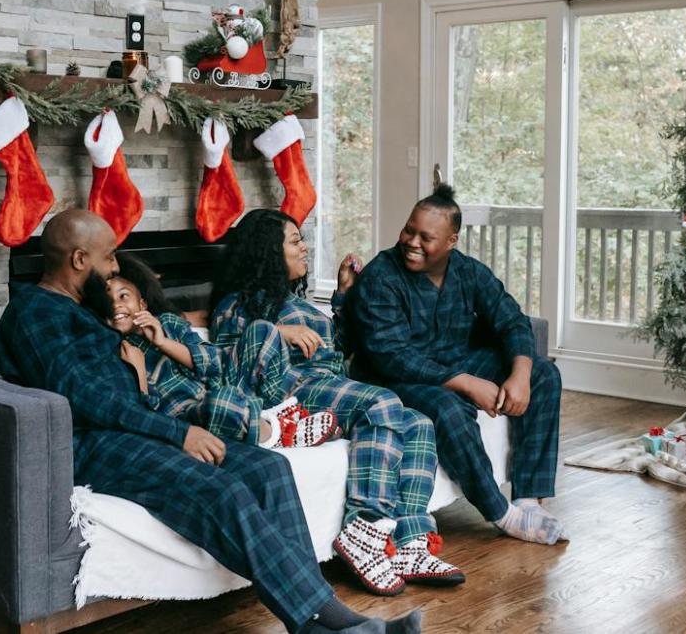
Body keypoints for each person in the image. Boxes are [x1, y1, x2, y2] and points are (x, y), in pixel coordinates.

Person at [0, 208, 420, 634]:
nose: (116, 267)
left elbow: (126, 379)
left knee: (268, 468)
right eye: (109, 258)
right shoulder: (35, 312)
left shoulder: (85, 310)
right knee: (223, 490)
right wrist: (179, 433)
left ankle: (324, 622)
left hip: (135, 427)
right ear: (79, 260)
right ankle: (340, 626)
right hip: (94, 442)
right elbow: (85, 398)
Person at [210, 209, 464, 596]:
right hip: (292, 392)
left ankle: (411, 541)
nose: (304, 247)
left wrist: (343, 295)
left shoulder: (296, 299)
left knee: (418, 423)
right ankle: (365, 527)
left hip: (330, 385)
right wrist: (280, 331)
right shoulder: (238, 303)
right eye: (294, 241)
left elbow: (336, 350)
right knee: (381, 402)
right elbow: (229, 356)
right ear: (266, 252)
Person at [347, 185, 567, 546]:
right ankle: (501, 513)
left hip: (454, 360)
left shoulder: (469, 272)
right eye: (408, 230)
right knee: (447, 407)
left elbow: (512, 320)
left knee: (545, 374)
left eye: (426, 237)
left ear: (451, 241)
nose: (412, 242)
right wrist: (464, 382)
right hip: (394, 375)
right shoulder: (380, 277)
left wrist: (521, 372)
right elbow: (390, 354)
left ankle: (527, 498)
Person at [106, 253, 341, 449]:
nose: (116, 305)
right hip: (194, 413)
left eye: (124, 296)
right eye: (107, 302)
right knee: (222, 402)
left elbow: (213, 362)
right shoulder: (118, 353)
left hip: (224, 386)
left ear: (142, 304)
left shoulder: (167, 323)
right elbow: (144, 414)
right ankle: (277, 431)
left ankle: (271, 415)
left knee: (263, 330)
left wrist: (163, 343)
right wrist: (138, 374)